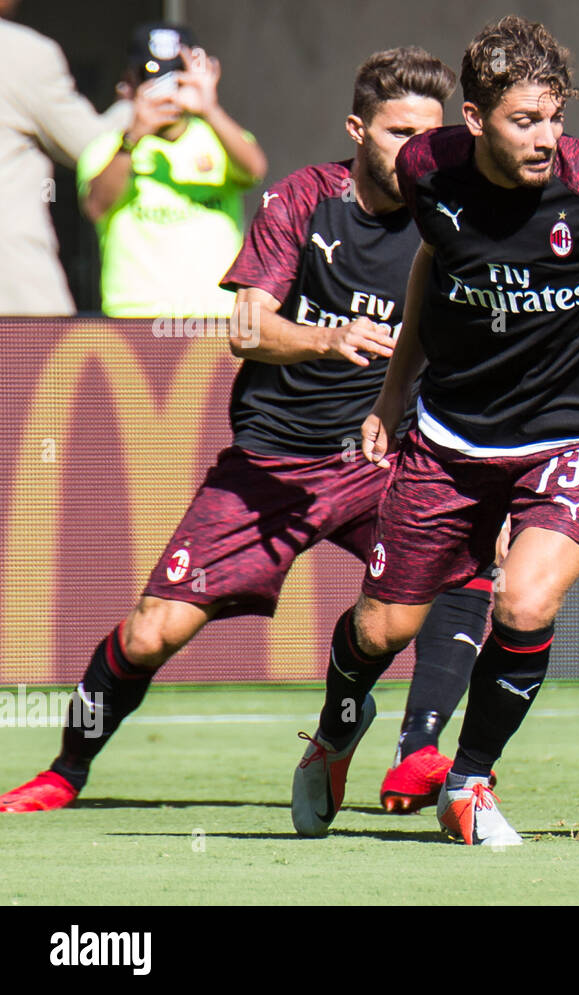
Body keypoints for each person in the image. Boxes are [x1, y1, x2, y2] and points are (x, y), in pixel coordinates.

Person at [0, 46, 493, 815]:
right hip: (274, 462)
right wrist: (327, 339)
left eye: (431, 136)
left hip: (380, 453)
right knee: (150, 633)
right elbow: (248, 329)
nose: (418, 153)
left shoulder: (455, 215)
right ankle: (65, 768)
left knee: (463, 569)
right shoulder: (303, 199)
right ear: (358, 130)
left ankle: (418, 752)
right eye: (399, 133)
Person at [290, 15, 579, 846]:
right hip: (452, 434)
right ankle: (334, 735)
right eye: (523, 120)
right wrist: (393, 396)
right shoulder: (425, 167)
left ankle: (467, 780)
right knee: (380, 628)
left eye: (556, 116)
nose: (546, 138)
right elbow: (434, 260)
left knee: (526, 601)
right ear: (474, 121)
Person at [78, 23, 266, 317]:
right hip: (134, 318)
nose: (166, 92)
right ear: (130, 82)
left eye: (176, 79)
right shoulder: (107, 149)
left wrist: (210, 109)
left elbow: (254, 170)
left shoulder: (217, 138)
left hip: (216, 316)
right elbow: (96, 207)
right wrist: (133, 138)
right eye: (151, 79)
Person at [0, 0, 116, 314]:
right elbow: (93, 146)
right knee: (36, 361)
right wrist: (142, 102)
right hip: (12, 282)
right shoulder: (21, 52)